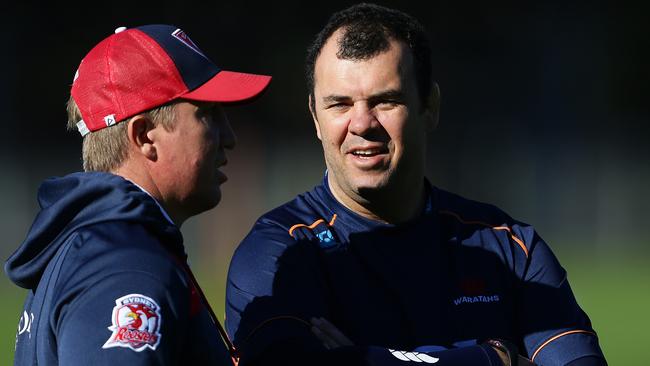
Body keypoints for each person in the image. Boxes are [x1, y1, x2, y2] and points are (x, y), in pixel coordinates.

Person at [225, 4, 606, 366]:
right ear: (315, 117)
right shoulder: (278, 253)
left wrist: (360, 358)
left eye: (385, 101)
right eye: (339, 104)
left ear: (430, 107)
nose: (362, 124)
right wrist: (492, 358)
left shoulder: (510, 249)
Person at [4, 24, 270, 365]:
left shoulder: (100, 246)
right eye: (207, 115)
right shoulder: (125, 265)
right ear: (145, 136)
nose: (229, 137)